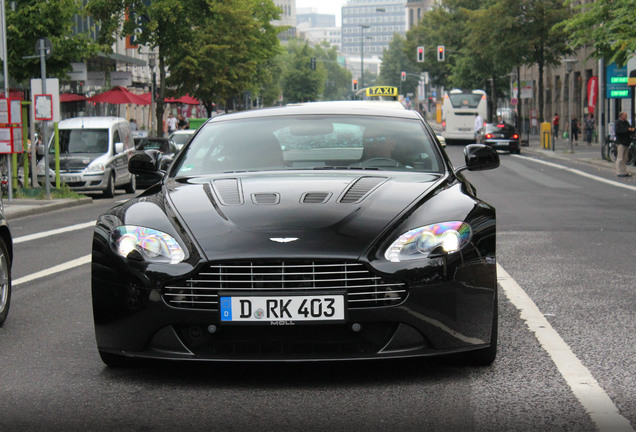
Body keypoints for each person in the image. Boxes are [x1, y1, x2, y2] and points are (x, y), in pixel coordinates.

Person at [614, 111, 634, 177]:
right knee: (620, 158)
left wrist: (632, 130)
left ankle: (623, 171)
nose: (626, 117)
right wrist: (627, 130)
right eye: (625, 115)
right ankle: (618, 172)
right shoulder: (618, 122)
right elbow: (618, 131)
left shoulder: (626, 122)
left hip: (626, 142)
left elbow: (629, 128)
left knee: (625, 158)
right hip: (620, 142)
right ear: (621, 116)